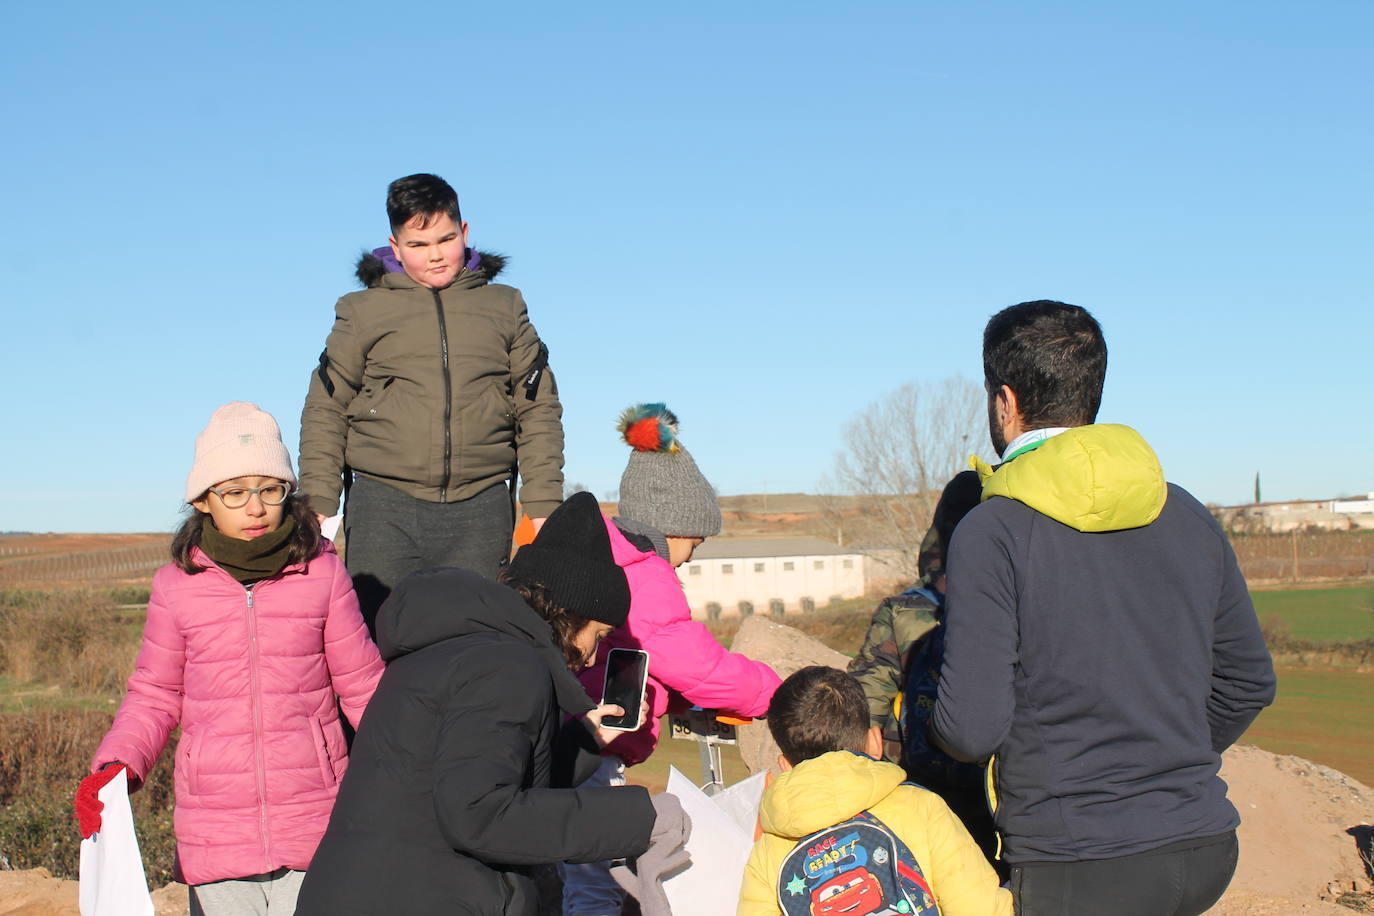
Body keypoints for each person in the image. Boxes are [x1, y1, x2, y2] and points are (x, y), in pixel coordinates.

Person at [930, 300, 1278, 916]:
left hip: (1078, 863)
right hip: (1204, 846)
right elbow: (1247, 681)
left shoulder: (993, 530)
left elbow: (970, 729)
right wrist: (1167, 760)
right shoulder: (1185, 510)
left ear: (1004, 401)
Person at [294, 492, 691, 916]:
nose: (594, 657)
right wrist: (639, 819)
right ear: (567, 614)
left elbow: (480, 778)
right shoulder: (507, 668)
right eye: (597, 634)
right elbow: (481, 815)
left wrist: (585, 741)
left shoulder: (464, 647)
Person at [75, 402, 384, 916]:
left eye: (270, 489)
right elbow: (154, 694)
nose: (256, 507)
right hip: (215, 831)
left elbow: (362, 684)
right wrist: (117, 764)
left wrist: (418, 760)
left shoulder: (324, 576)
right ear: (203, 500)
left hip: (317, 821)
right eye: (235, 492)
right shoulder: (176, 588)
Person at [299, 172, 564, 631]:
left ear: (464, 232)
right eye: (418, 245)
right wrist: (320, 500)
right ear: (395, 245)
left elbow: (537, 405)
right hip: (384, 506)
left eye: (445, 239)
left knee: (476, 644)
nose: (436, 254)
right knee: (378, 641)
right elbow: (326, 407)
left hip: (481, 506)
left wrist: (542, 502)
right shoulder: (361, 311)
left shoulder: (505, 306)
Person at [565, 403, 783, 916]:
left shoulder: (610, 557)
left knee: (583, 872)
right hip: (599, 749)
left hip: (582, 740)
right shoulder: (646, 575)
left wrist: (674, 699)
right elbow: (695, 664)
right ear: (671, 527)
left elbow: (650, 660)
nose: (692, 556)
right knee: (595, 883)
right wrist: (774, 690)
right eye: (695, 542)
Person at [737, 666, 1011, 916]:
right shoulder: (921, 807)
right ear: (875, 742)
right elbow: (980, 907)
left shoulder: (770, 850)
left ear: (786, 765)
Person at [847, 470, 997, 867]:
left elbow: (865, 700)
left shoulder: (903, 609)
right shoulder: (1015, 601)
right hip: (1000, 789)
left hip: (920, 789)